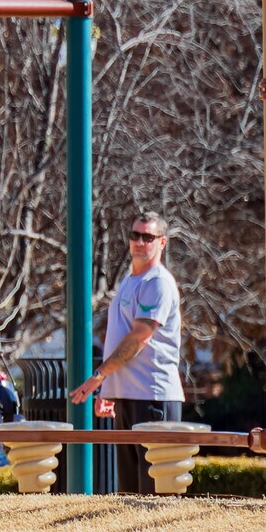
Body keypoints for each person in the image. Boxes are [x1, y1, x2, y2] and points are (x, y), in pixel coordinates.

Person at [70, 212, 185, 494]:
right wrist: (110, 389)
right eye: (135, 235)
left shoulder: (157, 282)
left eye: (148, 237)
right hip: (128, 398)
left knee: (156, 495)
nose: (140, 242)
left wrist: (98, 377)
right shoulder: (130, 281)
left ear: (162, 243)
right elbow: (119, 337)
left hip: (154, 398)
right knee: (130, 495)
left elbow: (138, 339)